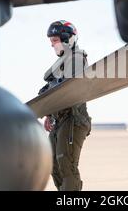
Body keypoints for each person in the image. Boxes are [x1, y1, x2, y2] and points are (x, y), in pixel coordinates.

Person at [38, 20, 91, 191]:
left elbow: (68, 90)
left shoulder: (76, 59)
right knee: (53, 165)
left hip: (73, 119)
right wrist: (49, 114)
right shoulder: (62, 64)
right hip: (59, 120)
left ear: (67, 39)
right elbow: (53, 92)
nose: (52, 45)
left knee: (66, 165)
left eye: (55, 40)